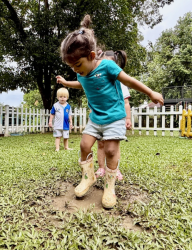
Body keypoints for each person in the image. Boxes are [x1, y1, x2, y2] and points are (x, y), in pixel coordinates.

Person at [56, 15, 164, 208]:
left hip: (114, 117)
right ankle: (88, 177)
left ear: (90, 56)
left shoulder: (107, 66)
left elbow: (128, 80)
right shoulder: (83, 73)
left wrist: (150, 92)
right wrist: (66, 83)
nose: (76, 70)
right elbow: (81, 84)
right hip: (95, 117)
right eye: (71, 67)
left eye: (78, 65)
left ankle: (109, 187)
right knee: (84, 145)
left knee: (111, 150)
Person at [95, 50, 131, 179]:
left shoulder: (120, 82)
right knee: (100, 144)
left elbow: (126, 102)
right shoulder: (97, 81)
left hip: (115, 119)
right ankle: (101, 167)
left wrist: (128, 118)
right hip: (99, 118)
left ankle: (114, 169)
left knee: (113, 146)